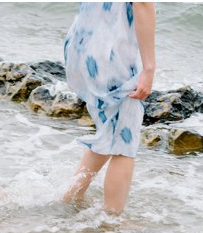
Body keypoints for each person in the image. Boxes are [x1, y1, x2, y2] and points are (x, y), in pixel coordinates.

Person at [60, 2, 156, 215]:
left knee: (110, 130)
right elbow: (142, 3)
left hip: (82, 45)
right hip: (109, 53)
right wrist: (149, 68)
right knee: (124, 143)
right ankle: (111, 222)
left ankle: (70, 197)